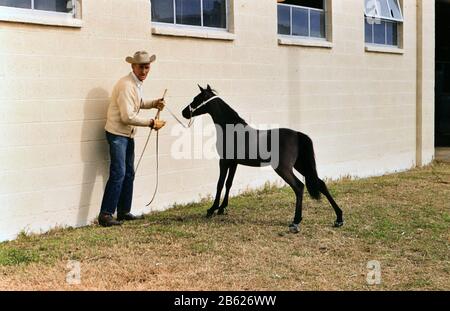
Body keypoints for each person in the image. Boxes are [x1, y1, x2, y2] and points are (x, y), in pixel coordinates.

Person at [98, 51, 167, 227]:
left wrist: (153, 103)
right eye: (141, 67)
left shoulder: (135, 83)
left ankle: (123, 212)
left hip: (127, 135)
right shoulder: (126, 85)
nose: (144, 71)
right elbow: (127, 117)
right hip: (117, 135)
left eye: (147, 67)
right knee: (119, 172)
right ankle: (106, 215)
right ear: (133, 66)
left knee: (129, 173)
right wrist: (152, 122)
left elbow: (137, 103)